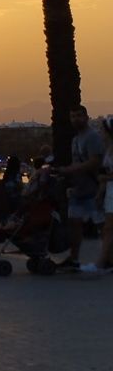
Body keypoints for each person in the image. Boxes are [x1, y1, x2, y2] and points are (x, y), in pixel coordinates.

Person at [56, 104, 104, 272]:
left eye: (79, 115)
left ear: (86, 117)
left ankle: (107, 258)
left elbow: (95, 162)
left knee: (102, 226)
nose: (76, 119)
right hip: (79, 189)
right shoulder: (75, 140)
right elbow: (77, 163)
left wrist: (69, 170)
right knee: (74, 223)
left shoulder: (92, 137)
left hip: (94, 189)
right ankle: (74, 258)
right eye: (73, 116)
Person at [81, 115, 113, 274]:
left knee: (108, 227)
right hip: (109, 192)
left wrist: (105, 178)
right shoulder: (108, 149)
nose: (100, 132)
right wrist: (100, 192)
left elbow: (107, 174)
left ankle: (101, 262)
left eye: (102, 130)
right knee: (107, 228)